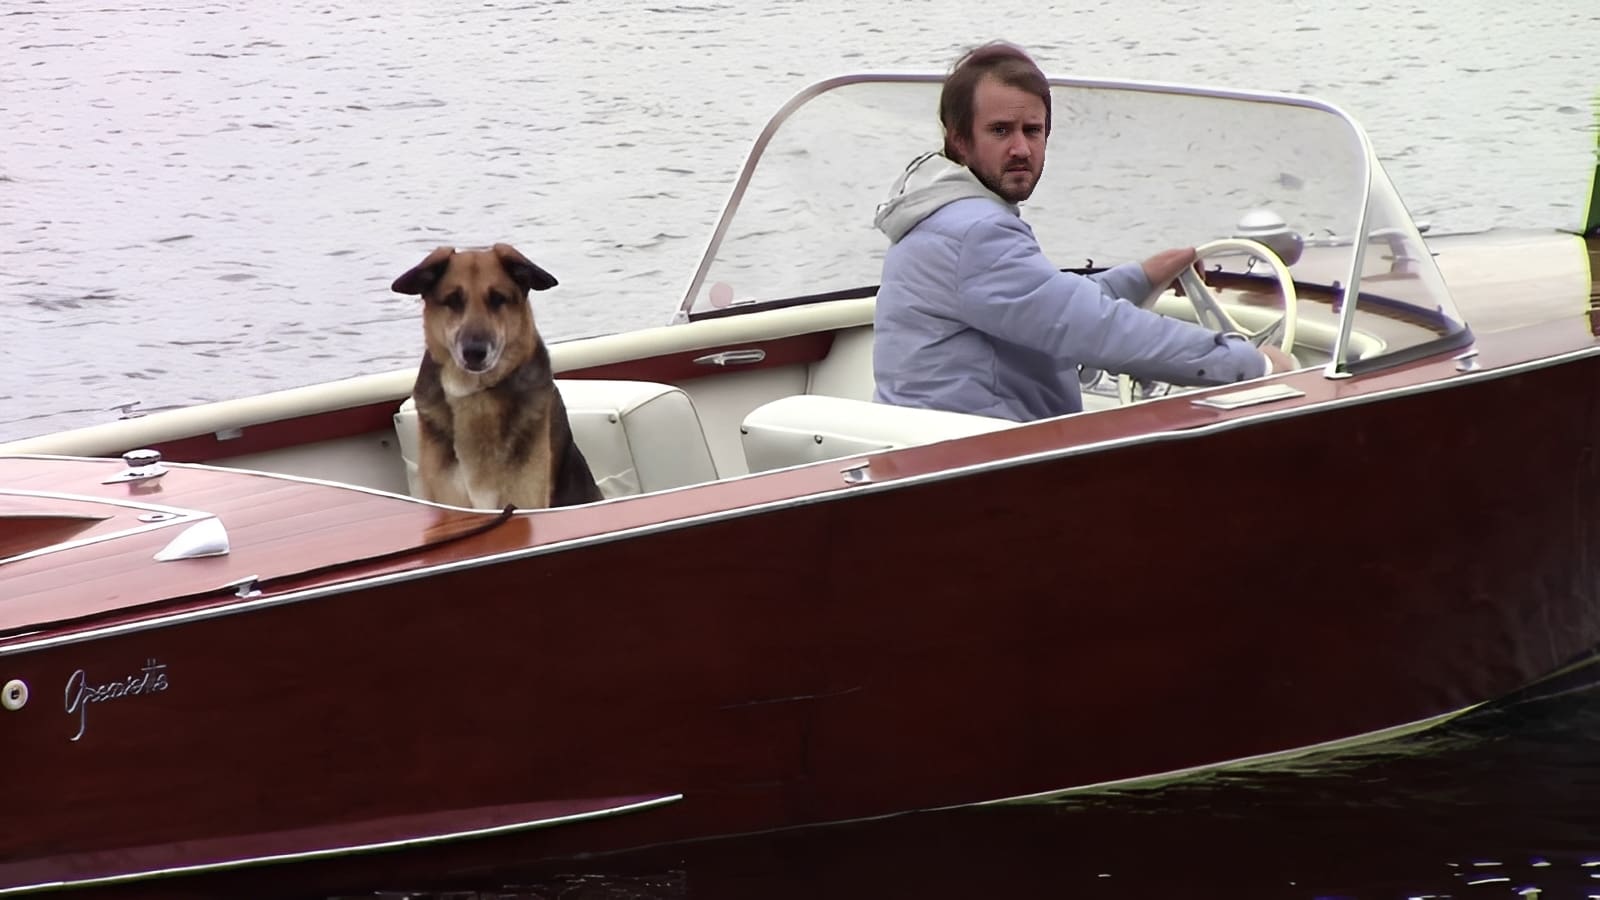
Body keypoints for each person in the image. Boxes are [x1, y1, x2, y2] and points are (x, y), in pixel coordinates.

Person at [871, 41, 1294, 422]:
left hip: (941, 447)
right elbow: (1095, 329)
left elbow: (1048, 305)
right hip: (977, 464)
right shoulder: (975, 233)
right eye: (1000, 130)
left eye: (1032, 130)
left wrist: (1145, 275)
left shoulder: (945, 217)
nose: (1021, 149)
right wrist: (1251, 365)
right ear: (960, 141)